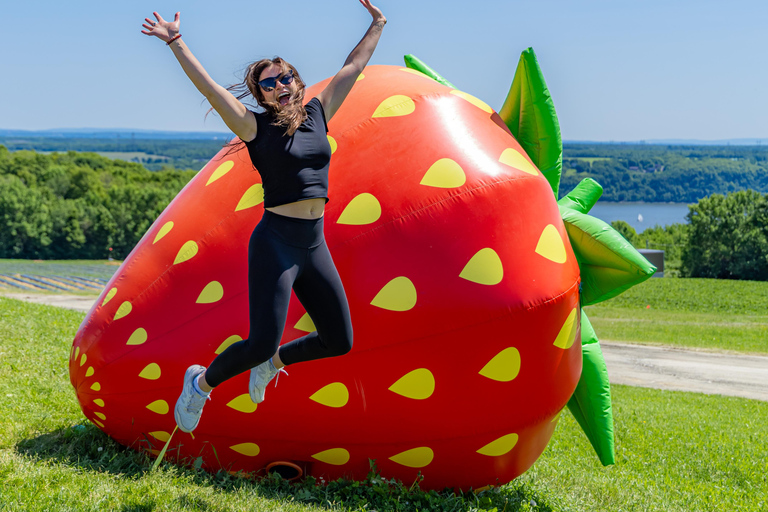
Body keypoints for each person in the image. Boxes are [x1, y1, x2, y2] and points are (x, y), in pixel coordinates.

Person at [141, 1, 386, 433]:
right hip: (276, 243)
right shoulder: (253, 127)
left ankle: (274, 362)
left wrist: (378, 23)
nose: (279, 86)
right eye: (268, 84)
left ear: (297, 80)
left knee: (339, 340)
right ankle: (200, 384)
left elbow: (354, 66)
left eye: (285, 77)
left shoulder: (318, 113)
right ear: (261, 96)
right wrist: (176, 42)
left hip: (314, 242)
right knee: (259, 342)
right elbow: (210, 90)